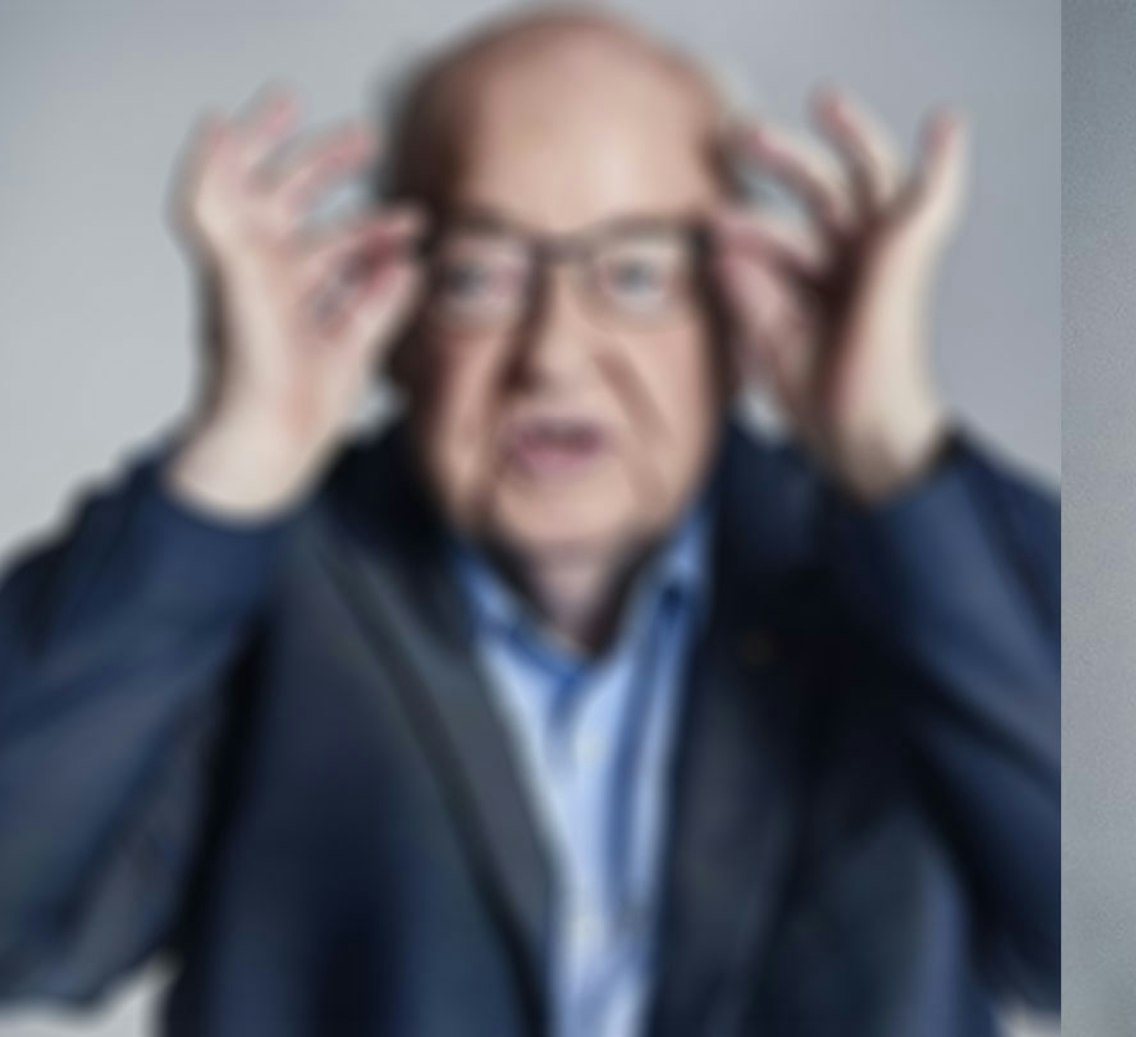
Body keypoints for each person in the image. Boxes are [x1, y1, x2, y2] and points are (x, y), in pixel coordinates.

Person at [0, 8, 1058, 1034]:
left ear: (734, 306)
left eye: (636, 272)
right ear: (395, 309)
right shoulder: (256, 587)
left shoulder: (897, 579)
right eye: (480, 274)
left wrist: (892, 452)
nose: (553, 352)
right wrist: (237, 458)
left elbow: (1084, 919)